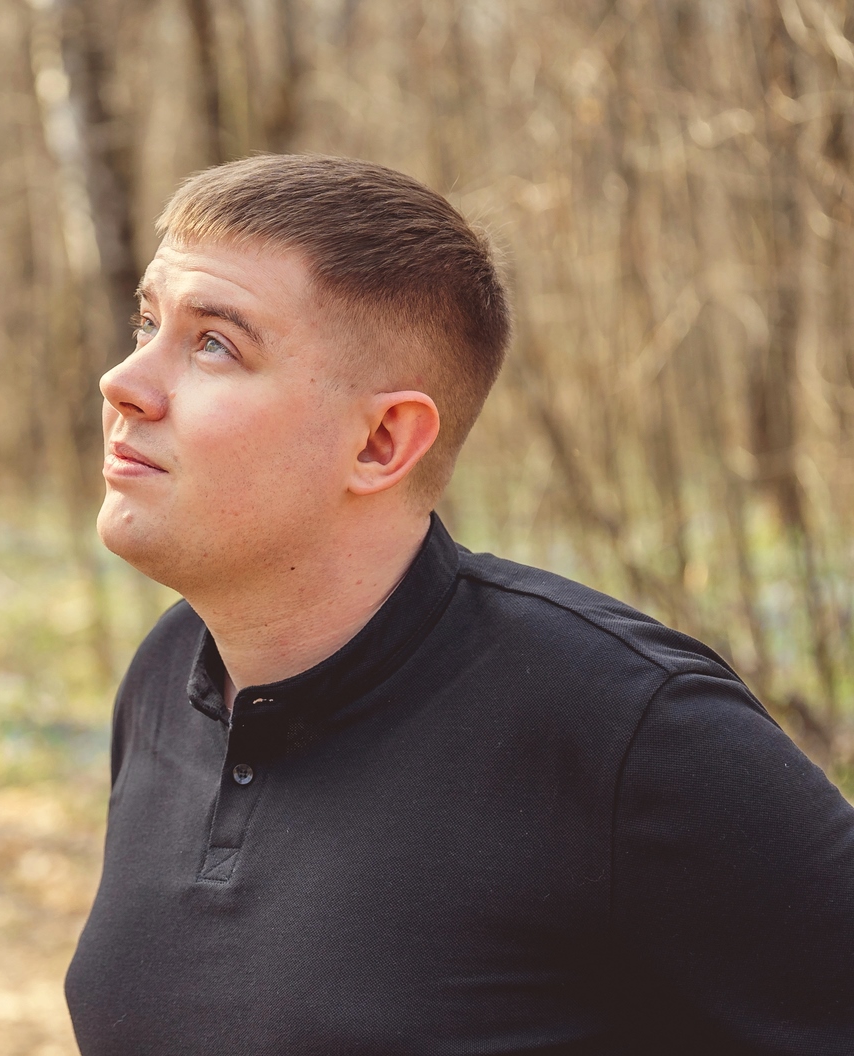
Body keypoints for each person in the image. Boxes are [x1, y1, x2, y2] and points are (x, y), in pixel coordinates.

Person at [63, 153, 854, 1055]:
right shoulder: (168, 676)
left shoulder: (628, 727)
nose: (123, 382)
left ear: (382, 442)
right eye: (147, 322)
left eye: (214, 343)